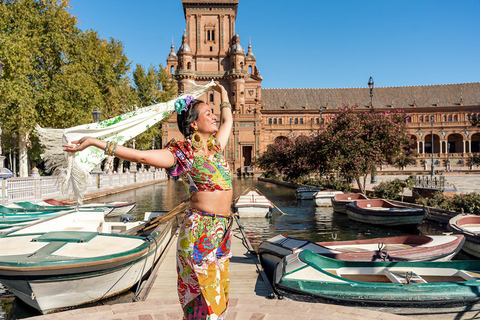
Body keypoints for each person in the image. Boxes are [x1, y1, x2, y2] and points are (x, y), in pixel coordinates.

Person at [63, 83, 233, 319]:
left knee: (218, 300)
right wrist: (96, 143)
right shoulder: (182, 154)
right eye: (208, 113)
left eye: (213, 113)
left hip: (222, 230)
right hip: (200, 233)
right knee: (205, 302)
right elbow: (141, 155)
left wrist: (224, 93)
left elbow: (228, 122)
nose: (214, 117)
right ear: (194, 124)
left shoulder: (216, 148)